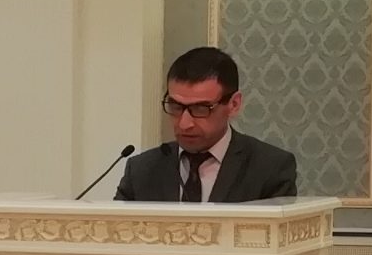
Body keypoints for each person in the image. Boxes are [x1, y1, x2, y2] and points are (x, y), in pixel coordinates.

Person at [114, 46, 299, 203]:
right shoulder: (141, 170)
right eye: (176, 106)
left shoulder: (270, 168)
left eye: (201, 108)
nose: (185, 124)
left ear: (234, 104)